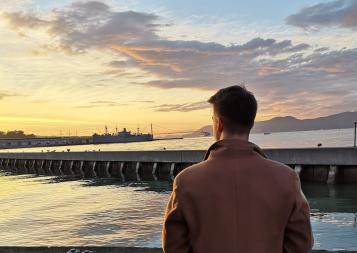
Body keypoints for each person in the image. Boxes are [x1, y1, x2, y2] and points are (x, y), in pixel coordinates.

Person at [162, 85, 313, 253]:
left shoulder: (185, 181)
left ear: (218, 123)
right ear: (251, 123)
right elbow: (300, 244)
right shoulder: (287, 178)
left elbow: (173, 246)